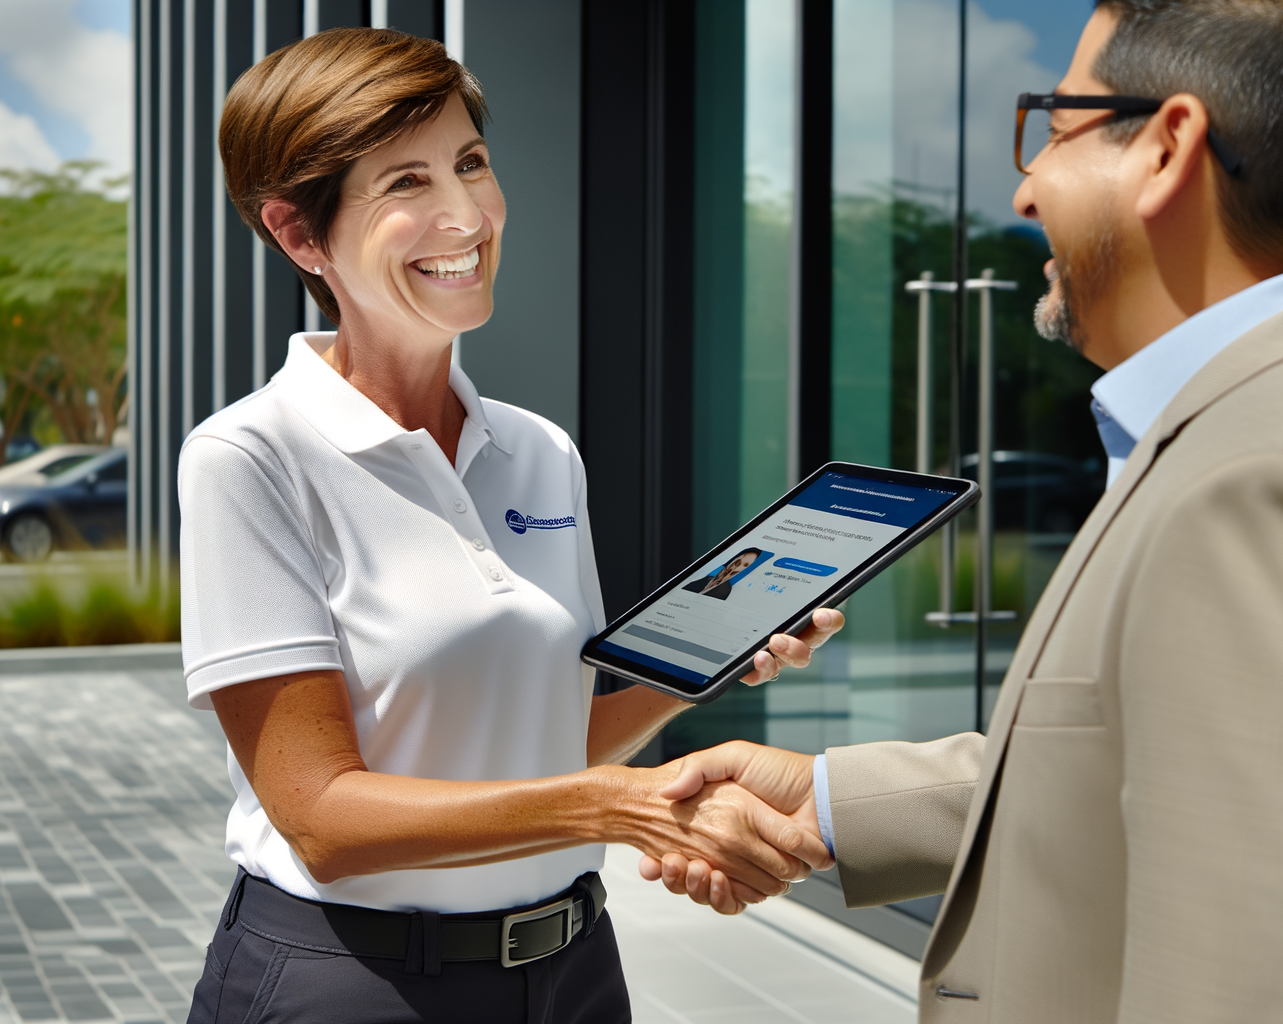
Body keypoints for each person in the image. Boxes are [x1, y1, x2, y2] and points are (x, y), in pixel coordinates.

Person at [650, 2, 1283, 1021]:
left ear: (1166, 147)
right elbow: (1146, 778)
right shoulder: (1281, 432)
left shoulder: (1263, 486)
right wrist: (829, 801)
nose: (1022, 189)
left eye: (1051, 131)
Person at [179, 29, 838, 1024]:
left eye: (471, 163)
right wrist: (617, 808)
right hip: (355, 986)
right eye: (407, 181)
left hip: (572, 969)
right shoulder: (250, 457)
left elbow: (544, 740)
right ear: (298, 234)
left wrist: (703, 658)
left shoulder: (539, 451)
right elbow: (321, 817)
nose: (466, 214)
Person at [680, 548, 763, 601]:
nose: (737, 565)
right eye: (738, 560)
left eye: (745, 564)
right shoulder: (705, 577)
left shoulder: (724, 589)